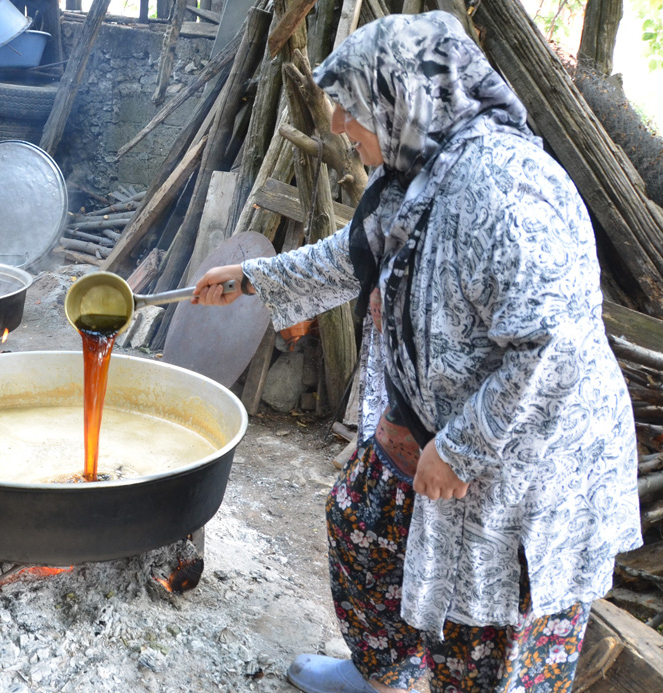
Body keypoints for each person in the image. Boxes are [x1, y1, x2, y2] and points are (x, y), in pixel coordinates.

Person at [194, 12, 640, 693]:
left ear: (407, 100)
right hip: (429, 425)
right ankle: (385, 674)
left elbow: (558, 346)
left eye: (352, 108)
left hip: (526, 460)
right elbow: (358, 254)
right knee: (361, 524)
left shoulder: (501, 189)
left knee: (490, 640)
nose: (340, 125)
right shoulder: (422, 171)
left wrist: (462, 447)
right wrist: (255, 278)